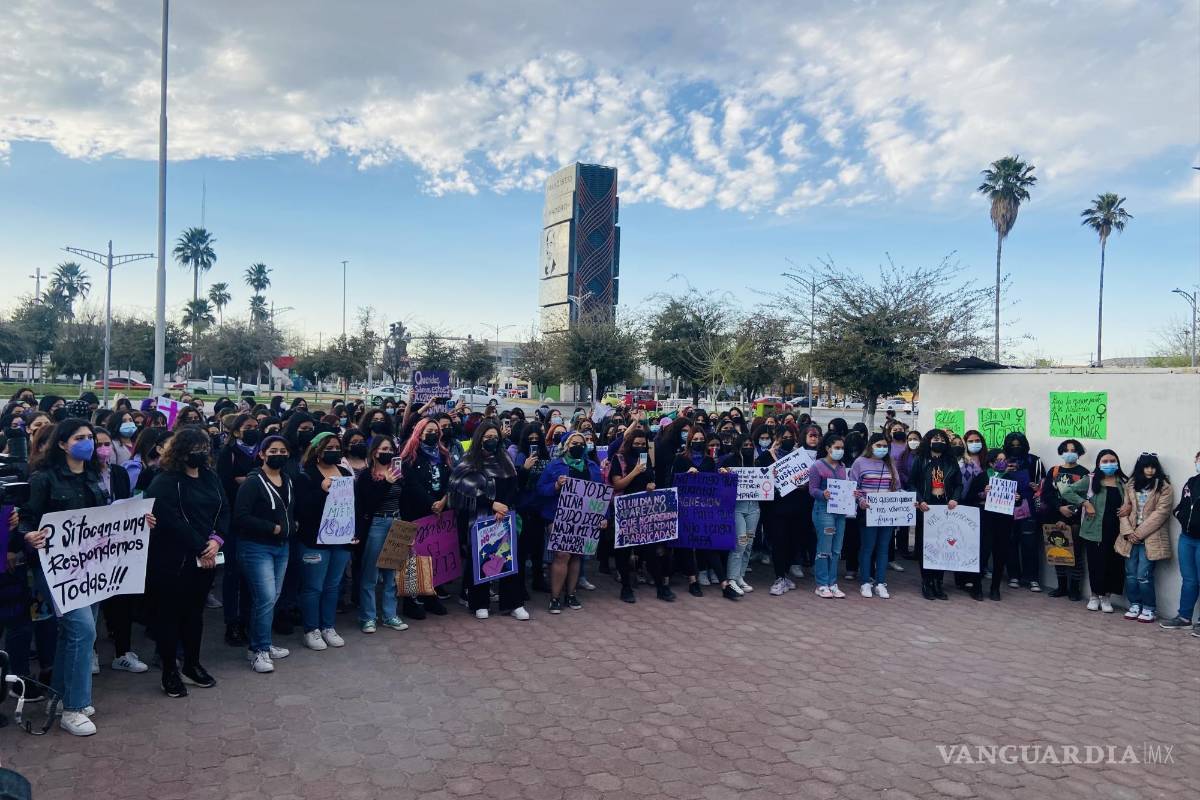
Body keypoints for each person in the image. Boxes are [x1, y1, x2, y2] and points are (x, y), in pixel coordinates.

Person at [20, 419, 145, 735]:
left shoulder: (94, 478)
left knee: (71, 635)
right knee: (83, 631)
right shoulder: (43, 479)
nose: (88, 443)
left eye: (90, 437)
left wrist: (139, 520)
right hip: (57, 569)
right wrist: (29, 536)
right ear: (62, 443)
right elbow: (26, 521)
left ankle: (61, 697)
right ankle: (74, 709)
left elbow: (106, 520)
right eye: (80, 438)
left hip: (90, 569)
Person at [144, 426, 228, 698]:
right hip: (173, 561)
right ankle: (169, 670)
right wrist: (201, 546)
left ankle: (192, 664)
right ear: (180, 451)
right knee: (170, 617)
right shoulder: (165, 481)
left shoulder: (211, 477)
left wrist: (216, 541)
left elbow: (223, 509)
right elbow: (170, 520)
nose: (201, 454)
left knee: (194, 614)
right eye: (195, 450)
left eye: (204, 449)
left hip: (206, 559)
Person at [448, 421, 526, 620]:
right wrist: (491, 504)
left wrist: (504, 506)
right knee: (481, 559)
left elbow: (512, 483)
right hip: (481, 517)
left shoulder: (505, 458)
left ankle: (513, 603)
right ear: (480, 438)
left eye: (495, 437)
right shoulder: (470, 460)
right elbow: (460, 486)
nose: (492, 440)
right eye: (488, 437)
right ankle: (479, 603)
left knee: (509, 559)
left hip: (504, 516)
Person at [233, 434, 296, 672]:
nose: (278, 455)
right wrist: (272, 527)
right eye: (273, 451)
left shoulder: (287, 479)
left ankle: (263, 644)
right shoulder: (252, 482)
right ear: (261, 454)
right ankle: (259, 650)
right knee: (266, 597)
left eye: (282, 451)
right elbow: (241, 516)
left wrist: (291, 525)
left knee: (271, 598)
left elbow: (290, 507)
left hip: (282, 547)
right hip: (256, 547)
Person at [93, 427, 147, 674]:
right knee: (93, 604)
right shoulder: (83, 476)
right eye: (97, 444)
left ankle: (122, 652)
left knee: (122, 602)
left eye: (106, 444)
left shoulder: (118, 473)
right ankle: (91, 653)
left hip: (118, 547)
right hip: (90, 549)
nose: (102, 449)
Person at [297, 432, 356, 651]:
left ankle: (328, 626)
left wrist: (352, 531)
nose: (334, 451)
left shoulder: (343, 472)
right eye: (328, 448)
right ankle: (311, 629)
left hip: (340, 539)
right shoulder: (306, 475)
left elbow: (350, 506)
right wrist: (321, 491)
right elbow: (302, 510)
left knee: (333, 586)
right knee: (313, 587)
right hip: (314, 541)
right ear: (318, 452)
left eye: (337, 447)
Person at [538, 431, 606, 613]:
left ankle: (571, 593)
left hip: (584, 519)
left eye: (581, 444)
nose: (578, 446)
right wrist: (556, 486)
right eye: (574, 443)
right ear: (566, 445)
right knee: (562, 555)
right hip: (559, 516)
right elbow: (540, 490)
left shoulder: (592, 466)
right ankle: (555, 597)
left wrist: (603, 517)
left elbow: (601, 493)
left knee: (577, 555)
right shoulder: (555, 466)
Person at [608, 428, 673, 602]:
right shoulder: (619, 459)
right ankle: (626, 588)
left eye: (643, 444)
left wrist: (651, 484)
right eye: (636, 444)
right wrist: (635, 471)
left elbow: (650, 479)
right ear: (629, 443)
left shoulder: (646, 459)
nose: (639, 446)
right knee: (624, 551)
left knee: (651, 550)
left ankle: (661, 587)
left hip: (645, 510)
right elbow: (617, 485)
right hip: (625, 511)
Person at [1060, 450, 1129, 614]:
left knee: (1113, 565)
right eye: (1105, 461)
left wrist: (1129, 506)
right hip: (1094, 531)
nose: (1109, 464)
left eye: (1112, 460)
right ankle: (1094, 596)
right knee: (1096, 564)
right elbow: (1066, 490)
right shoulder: (1090, 480)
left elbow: (1131, 500)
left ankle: (1107, 597)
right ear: (1099, 463)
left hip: (1117, 531)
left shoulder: (1122, 483)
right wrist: (1084, 503)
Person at [396, 418, 451, 617]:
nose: (433, 434)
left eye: (436, 431)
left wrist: (443, 501)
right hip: (414, 511)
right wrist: (431, 503)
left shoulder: (443, 455)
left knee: (431, 555)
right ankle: (410, 601)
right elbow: (410, 485)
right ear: (419, 432)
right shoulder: (409, 456)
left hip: (437, 513)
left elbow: (449, 481)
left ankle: (430, 596)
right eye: (428, 431)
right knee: (411, 559)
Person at [354, 435, 408, 634]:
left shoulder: (398, 471)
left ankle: (389, 615)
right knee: (370, 573)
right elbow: (368, 503)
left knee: (391, 573)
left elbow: (405, 497)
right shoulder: (366, 476)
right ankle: (368, 617)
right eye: (383, 449)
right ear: (374, 451)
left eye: (391, 449)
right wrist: (386, 482)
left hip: (396, 521)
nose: (387, 453)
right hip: (376, 523)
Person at [216, 413, 261, 647]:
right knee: (233, 574)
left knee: (251, 576)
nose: (254, 430)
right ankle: (232, 622)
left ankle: (247, 619)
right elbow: (225, 483)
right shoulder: (228, 454)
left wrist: (249, 480)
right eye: (248, 427)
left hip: (258, 521)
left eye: (256, 426)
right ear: (235, 431)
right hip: (235, 522)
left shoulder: (262, 452)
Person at [1115, 453, 1173, 623]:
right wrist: (1128, 532)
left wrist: (1138, 534)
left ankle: (1149, 608)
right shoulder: (1131, 485)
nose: (1150, 470)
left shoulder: (1164, 487)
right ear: (1140, 467)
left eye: (1153, 466)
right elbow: (1124, 510)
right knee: (1130, 573)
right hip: (1130, 537)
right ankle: (1134, 604)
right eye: (1146, 466)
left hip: (1150, 538)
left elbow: (1161, 514)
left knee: (1143, 575)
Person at [908, 428, 962, 601]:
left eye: (942, 439)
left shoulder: (951, 461)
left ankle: (938, 581)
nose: (939, 441)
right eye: (935, 438)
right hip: (927, 507)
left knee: (943, 544)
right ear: (928, 440)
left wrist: (954, 498)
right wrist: (920, 500)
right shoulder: (920, 460)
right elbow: (911, 483)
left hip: (945, 508)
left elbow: (959, 484)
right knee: (927, 545)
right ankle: (927, 581)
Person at [962, 449, 1019, 601]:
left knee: (1000, 555)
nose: (1002, 463)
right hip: (985, 521)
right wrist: (982, 494)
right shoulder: (981, 477)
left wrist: (1017, 498)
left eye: (1004, 459)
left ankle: (995, 588)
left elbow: (1018, 501)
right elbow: (969, 498)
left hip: (1004, 522)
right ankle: (977, 587)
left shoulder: (1009, 478)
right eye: (999, 460)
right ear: (991, 462)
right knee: (982, 554)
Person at [850, 433, 900, 599]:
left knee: (883, 548)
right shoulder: (859, 463)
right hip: (867, 511)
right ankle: (865, 582)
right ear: (871, 446)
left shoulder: (890, 464)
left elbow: (897, 488)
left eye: (885, 446)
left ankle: (880, 582)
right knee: (867, 548)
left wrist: (906, 501)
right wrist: (861, 501)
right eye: (879, 445)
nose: (882, 449)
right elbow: (854, 487)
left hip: (887, 513)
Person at [1038, 440, 1090, 600]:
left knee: (1076, 555)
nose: (1070, 453)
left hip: (1075, 520)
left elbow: (1084, 497)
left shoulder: (1084, 473)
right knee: (1058, 552)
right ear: (1061, 452)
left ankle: (1074, 589)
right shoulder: (1054, 471)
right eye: (1066, 450)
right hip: (1055, 517)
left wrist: (1068, 515)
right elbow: (1046, 494)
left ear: (1079, 453)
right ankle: (1061, 586)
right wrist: (1059, 509)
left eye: (1073, 450)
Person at [1161, 450, 1200, 633]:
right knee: (1189, 580)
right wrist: (1180, 514)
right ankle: (1184, 617)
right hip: (1187, 538)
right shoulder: (1191, 482)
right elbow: (1182, 506)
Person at [509, 422, 550, 595]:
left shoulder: (545, 456)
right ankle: (521, 586)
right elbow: (515, 484)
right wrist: (525, 469)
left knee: (538, 546)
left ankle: (538, 579)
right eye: (530, 439)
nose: (534, 441)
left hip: (539, 506)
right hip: (523, 507)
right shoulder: (520, 456)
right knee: (523, 548)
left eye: (536, 439)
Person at [809, 433, 849, 599]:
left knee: (836, 549)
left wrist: (851, 493)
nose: (840, 451)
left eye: (841, 448)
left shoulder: (842, 467)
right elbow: (812, 490)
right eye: (837, 448)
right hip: (823, 510)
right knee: (824, 548)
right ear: (828, 448)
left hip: (839, 512)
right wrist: (822, 493)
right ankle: (822, 584)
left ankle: (833, 583)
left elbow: (844, 488)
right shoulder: (817, 466)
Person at [726, 434, 760, 594]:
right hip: (737, 508)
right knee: (740, 542)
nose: (748, 448)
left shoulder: (757, 462)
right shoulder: (731, 461)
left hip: (754, 507)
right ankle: (732, 577)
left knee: (749, 543)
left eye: (750, 445)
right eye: (745, 445)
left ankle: (740, 576)